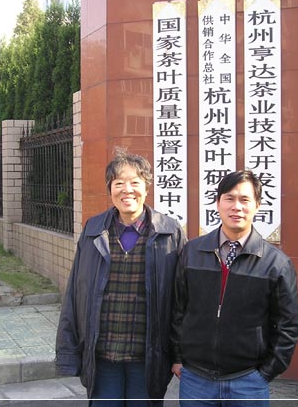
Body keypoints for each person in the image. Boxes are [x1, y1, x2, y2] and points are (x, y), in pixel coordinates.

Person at [56, 148, 187, 405]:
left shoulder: (170, 233)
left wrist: (179, 354)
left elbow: (182, 300)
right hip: (102, 356)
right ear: (110, 189)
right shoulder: (94, 230)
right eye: (118, 183)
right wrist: (68, 352)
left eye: (134, 182)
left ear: (146, 187)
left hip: (148, 357)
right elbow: (75, 293)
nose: (127, 190)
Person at [170, 170, 298, 406]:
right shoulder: (192, 252)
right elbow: (178, 309)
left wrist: (266, 372)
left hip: (248, 381)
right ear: (218, 203)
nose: (236, 207)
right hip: (196, 379)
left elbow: (287, 325)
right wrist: (178, 358)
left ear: (257, 205)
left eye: (244, 199)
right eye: (229, 198)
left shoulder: (276, 264)